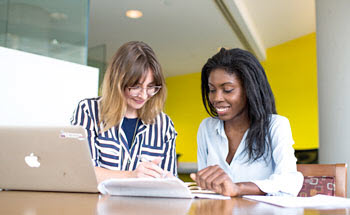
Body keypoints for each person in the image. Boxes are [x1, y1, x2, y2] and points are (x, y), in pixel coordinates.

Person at [190, 48, 303, 197]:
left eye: (228, 90)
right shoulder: (206, 128)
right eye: (212, 90)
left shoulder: (276, 125)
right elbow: (206, 187)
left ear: (250, 89)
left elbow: (290, 181)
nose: (216, 98)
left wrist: (238, 188)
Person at [71, 41, 177, 183]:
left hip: (145, 205)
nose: (144, 95)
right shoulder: (88, 111)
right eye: (136, 87)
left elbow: (168, 182)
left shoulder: (164, 125)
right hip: (98, 204)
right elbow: (82, 172)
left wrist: (168, 180)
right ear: (117, 82)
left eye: (151, 87)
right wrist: (131, 176)